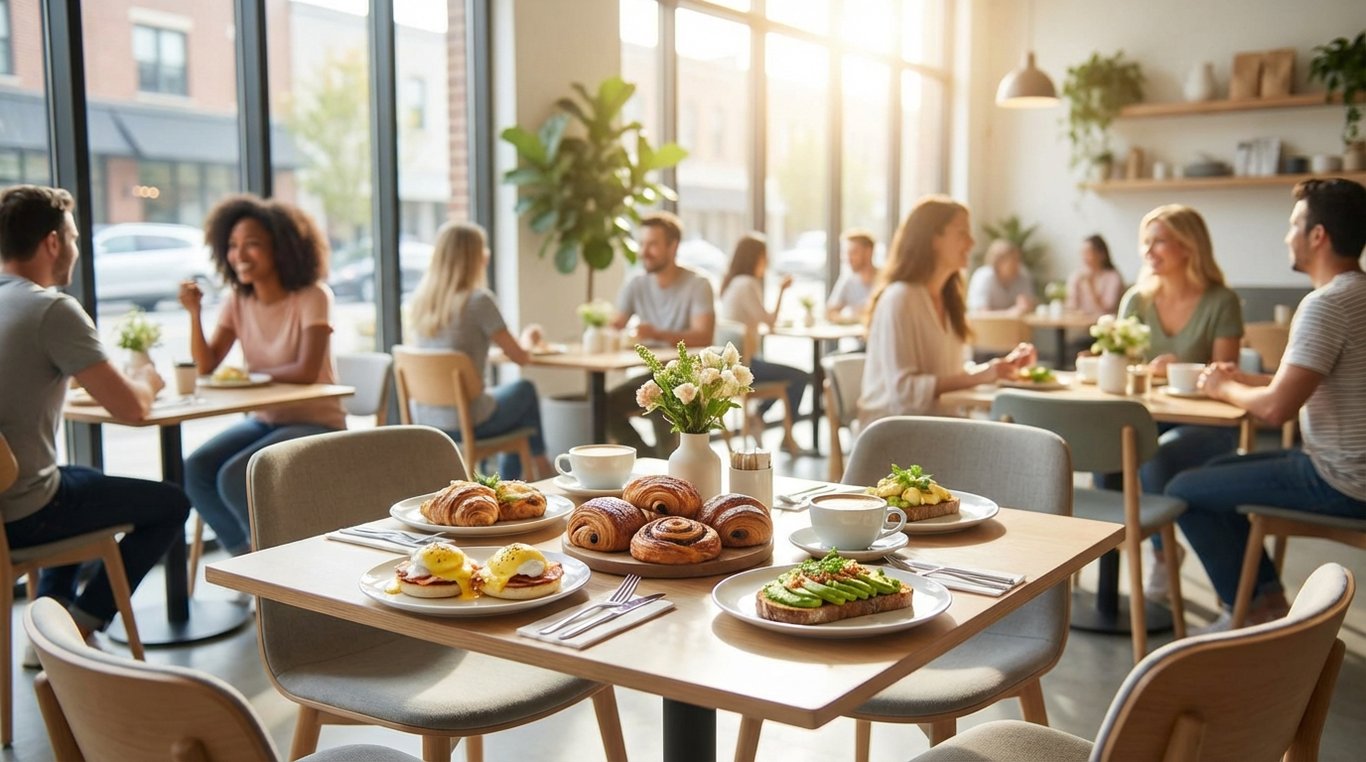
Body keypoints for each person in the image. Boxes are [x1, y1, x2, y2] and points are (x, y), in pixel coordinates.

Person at [1167, 178, 1366, 631]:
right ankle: (1270, 601)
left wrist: (1224, 388)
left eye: (1294, 225)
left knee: (1184, 488)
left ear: (1318, 236)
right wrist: (1242, 380)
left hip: (1343, 480)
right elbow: (1309, 381)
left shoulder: (1326, 304)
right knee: (1218, 468)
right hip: (1347, 467)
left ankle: (1247, 611)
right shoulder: (1358, 294)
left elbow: (1276, 409)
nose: (1287, 236)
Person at [0, 185, 190, 649]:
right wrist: (148, 379)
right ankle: (74, 636)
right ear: (52, 242)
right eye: (73, 238)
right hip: (25, 513)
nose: (76, 248)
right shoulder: (51, 308)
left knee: (83, 481)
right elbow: (131, 407)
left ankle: (48, 627)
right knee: (171, 504)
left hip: (7, 502)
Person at [180, 194, 345, 557]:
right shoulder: (238, 301)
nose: (239, 255)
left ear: (281, 248)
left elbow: (306, 371)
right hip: (267, 420)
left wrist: (252, 376)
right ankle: (246, 558)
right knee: (196, 469)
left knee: (235, 475)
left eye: (252, 244)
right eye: (232, 245)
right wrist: (194, 313)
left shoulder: (313, 296)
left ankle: (273, 564)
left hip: (318, 423)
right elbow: (206, 366)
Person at [1108, 204, 1244, 598]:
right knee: (1108, 451)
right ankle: (1109, 568)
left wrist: (1177, 370)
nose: (1148, 251)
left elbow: (1225, 374)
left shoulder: (1221, 301)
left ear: (1189, 246)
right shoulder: (1136, 301)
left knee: (1155, 457)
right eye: (1145, 242)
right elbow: (1120, 364)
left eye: (1160, 241)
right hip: (1145, 417)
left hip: (1206, 424)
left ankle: (1162, 555)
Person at [858, 196, 1035, 429]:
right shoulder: (900, 299)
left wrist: (998, 369)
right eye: (962, 233)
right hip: (895, 433)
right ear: (933, 239)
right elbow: (904, 391)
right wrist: (983, 375)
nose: (972, 242)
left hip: (939, 426)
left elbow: (950, 375)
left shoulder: (949, 299)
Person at [406, 221, 551, 480]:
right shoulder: (478, 301)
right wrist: (530, 338)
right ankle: (539, 470)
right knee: (525, 391)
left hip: (427, 421)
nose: (487, 255)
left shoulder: (421, 302)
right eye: (482, 250)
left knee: (517, 413)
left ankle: (522, 476)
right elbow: (520, 356)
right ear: (474, 258)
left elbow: (449, 353)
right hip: (466, 421)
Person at [606, 211, 715, 458]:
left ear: (673, 246)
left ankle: (665, 466)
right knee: (604, 404)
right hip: (653, 374)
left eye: (652, 244)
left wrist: (657, 333)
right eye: (642, 244)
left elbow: (704, 336)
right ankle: (648, 460)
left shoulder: (698, 284)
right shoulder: (636, 284)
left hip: (687, 376)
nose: (644, 252)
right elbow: (615, 325)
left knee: (663, 399)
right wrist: (596, 324)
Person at [718, 233, 809, 431]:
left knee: (791, 375)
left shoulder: (732, 283)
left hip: (730, 365)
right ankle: (766, 420)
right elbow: (769, 322)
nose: (767, 262)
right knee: (801, 377)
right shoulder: (747, 283)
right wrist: (782, 290)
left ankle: (758, 416)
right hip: (745, 367)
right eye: (764, 257)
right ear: (754, 258)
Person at [966, 239, 1036, 315]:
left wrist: (1027, 306)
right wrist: (1009, 313)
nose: (1017, 264)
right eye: (1013, 260)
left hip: (1013, 322)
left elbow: (1029, 305)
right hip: (981, 323)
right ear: (999, 262)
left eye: (1018, 260)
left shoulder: (1022, 276)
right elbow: (980, 313)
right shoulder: (983, 276)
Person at [1065, 234, 1124, 317]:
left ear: (1102, 254)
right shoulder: (1077, 276)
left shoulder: (1113, 277)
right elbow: (1071, 307)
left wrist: (1091, 285)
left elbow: (1108, 309)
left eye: (1088, 253)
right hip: (1081, 322)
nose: (1084, 257)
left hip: (1104, 322)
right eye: (1082, 253)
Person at [826, 228, 877, 322]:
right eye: (846, 253)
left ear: (868, 252)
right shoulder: (848, 280)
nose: (848, 258)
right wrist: (851, 319)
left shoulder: (885, 280)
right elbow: (830, 312)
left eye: (853, 252)